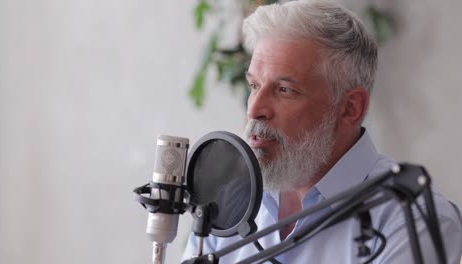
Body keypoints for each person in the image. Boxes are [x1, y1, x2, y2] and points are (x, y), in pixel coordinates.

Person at [183, 1, 462, 263]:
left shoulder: (410, 219)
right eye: (254, 86)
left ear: (350, 108)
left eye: (284, 90)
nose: (255, 109)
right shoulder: (228, 204)